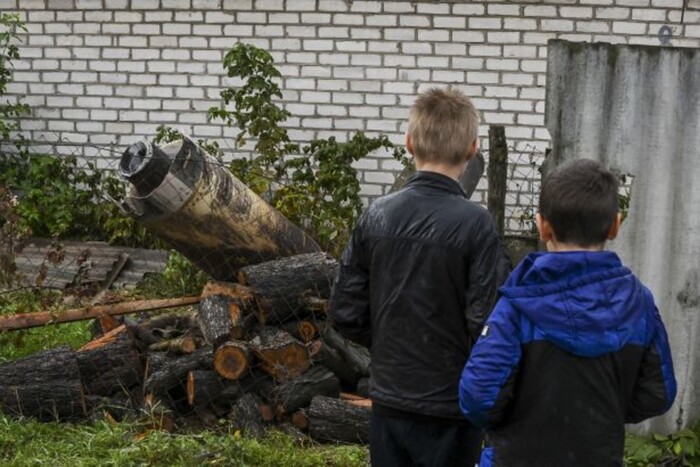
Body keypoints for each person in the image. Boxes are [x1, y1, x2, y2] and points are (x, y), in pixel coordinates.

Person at [330, 87, 511, 467]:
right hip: (453, 404)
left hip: (391, 399)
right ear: (472, 148)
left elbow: (345, 311)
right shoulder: (477, 225)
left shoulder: (376, 215)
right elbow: (486, 323)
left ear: (409, 142)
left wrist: (392, 339)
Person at [459, 158, 677, 467]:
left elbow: (478, 398)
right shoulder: (639, 305)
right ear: (616, 224)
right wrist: (601, 413)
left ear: (542, 225)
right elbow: (658, 392)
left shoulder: (517, 307)